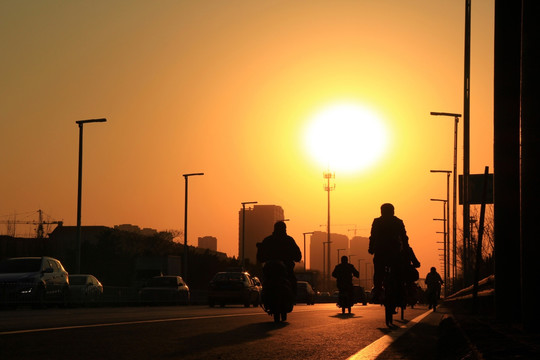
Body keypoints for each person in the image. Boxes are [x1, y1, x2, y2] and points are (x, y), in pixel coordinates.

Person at [368, 203, 411, 302]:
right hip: (395, 251)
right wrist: (406, 249)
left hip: (380, 251)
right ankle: (400, 291)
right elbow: (404, 237)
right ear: (393, 211)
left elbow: (372, 236)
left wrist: (371, 248)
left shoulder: (377, 221)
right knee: (398, 271)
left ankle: (377, 290)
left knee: (378, 272)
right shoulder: (398, 222)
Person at [256, 221, 302, 296]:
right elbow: (298, 256)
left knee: (265, 282)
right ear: (285, 229)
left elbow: (260, 257)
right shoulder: (289, 240)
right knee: (292, 282)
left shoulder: (268, 240)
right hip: (281, 272)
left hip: (273, 272)